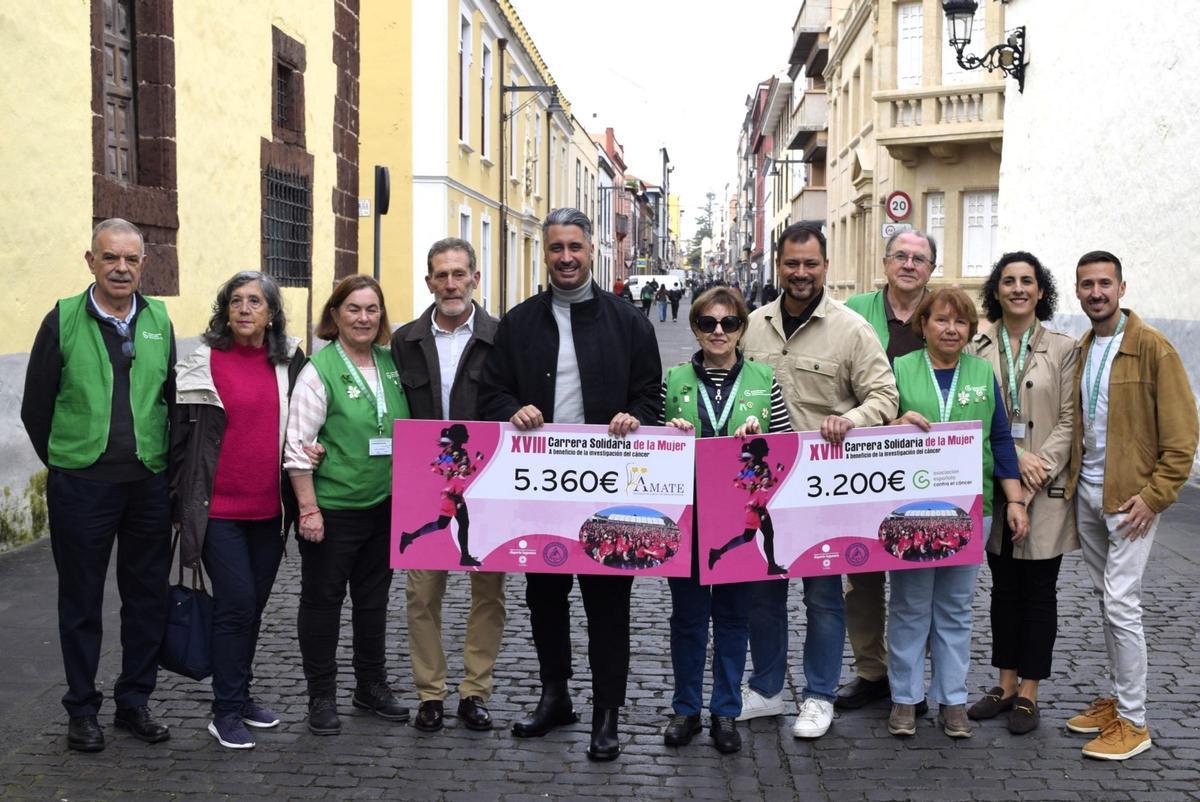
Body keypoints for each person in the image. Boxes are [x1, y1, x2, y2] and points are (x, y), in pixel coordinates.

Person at [480, 207, 661, 761]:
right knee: (545, 599)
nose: (565, 258)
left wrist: (635, 416)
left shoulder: (628, 321)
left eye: (574, 248)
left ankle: (607, 713)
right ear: (546, 252)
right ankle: (554, 695)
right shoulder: (518, 323)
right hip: (541, 490)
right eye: (556, 248)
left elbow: (651, 396)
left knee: (608, 605)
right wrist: (514, 410)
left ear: (590, 250)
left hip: (610, 491)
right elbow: (492, 393)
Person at [21, 218, 175, 752]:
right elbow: (35, 407)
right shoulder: (62, 319)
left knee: (146, 598)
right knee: (81, 600)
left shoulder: (159, 320)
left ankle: (134, 701)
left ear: (143, 265)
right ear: (91, 261)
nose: (121, 268)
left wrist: (164, 471)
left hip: (148, 484)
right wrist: (67, 465)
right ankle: (82, 708)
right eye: (111, 258)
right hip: (82, 486)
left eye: (131, 260)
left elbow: (170, 400)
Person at [738, 223, 898, 739]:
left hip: (824, 491)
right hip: (762, 487)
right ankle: (764, 691)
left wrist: (852, 419)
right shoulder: (751, 326)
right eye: (791, 263)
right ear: (778, 266)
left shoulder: (852, 330)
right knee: (763, 595)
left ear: (825, 267)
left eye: (810, 264)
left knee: (825, 597)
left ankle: (819, 695)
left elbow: (885, 396)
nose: (800, 273)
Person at [1063, 251, 1197, 760]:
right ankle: (1118, 702)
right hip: (1090, 494)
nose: (1096, 292)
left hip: (1131, 501)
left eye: (1105, 283)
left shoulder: (1152, 349)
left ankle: (1135, 722)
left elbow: (1183, 439)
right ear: (1077, 292)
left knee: (1121, 603)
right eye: (1087, 285)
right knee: (1105, 601)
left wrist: (1155, 496)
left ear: (1122, 287)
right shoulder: (1083, 347)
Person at [170, 271, 305, 749]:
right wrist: (178, 505)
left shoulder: (289, 361)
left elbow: (306, 423)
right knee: (236, 604)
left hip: (269, 511)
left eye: (255, 301)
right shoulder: (200, 363)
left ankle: (239, 693)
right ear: (224, 310)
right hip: (216, 510)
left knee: (251, 609)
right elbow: (179, 440)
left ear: (271, 313)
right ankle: (224, 710)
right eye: (235, 301)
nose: (245, 309)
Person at [888, 287, 1029, 740]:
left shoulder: (982, 373)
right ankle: (906, 700)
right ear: (923, 324)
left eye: (961, 323)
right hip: (911, 508)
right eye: (942, 320)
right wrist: (892, 425)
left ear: (970, 330)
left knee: (954, 608)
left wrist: (1016, 501)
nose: (951, 329)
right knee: (910, 607)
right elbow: (876, 435)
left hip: (972, 509)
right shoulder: (899, 370)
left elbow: (1001, 440)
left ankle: (952, 700)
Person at [660, 287, 791, 753]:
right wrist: (668, 433)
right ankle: (685, 710)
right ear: (695, 328)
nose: (719, 331)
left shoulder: (763, 378)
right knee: (689, 619)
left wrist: (761, 439)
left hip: (739, 514)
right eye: (709, 323)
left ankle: (726, 711)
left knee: (734, 619)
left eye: (729, 323)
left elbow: (786, 447)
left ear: (741, 328)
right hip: (690, 518)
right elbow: (653, 454)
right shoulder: (673, 379)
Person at [285, 275, 412, 736]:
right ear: (335, 315)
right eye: (354, 309)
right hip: (333, 509)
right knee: (322, 603)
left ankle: (370, 686)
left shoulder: (392, 362)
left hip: (384, 506)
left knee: (373, 602)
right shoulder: (318, 371)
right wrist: (308, 509)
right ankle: (321, 696)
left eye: (372, 309)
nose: (364, 318)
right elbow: (299, 445)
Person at [390, 237, 505, 734]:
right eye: (442, 275)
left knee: (489, 594)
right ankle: (430, 694)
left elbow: (513, 400)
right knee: (421, 597)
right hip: (423, 480)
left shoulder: (502, 337)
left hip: (488, 481)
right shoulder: (406, 340)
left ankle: (475, 692)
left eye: (460, 274)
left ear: (475, 279)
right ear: (429, 282)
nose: (451, 283)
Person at [963, 253, 1077, 735]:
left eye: (1027, 281)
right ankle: (1004, 683)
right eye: (1008, 281)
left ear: (1040, 290)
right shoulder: (975, 343)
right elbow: (972, 415)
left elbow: (1071, 419)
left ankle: (1030, 690)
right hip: (993, 485)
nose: (1017, 289)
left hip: (1045, 490)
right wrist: (1013, 455)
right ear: (997, 289)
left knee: (1039, 592)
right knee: (1003, 590)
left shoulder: (1065, 347)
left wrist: (1036, 465)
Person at [838, 230, 935, 712]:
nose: (909, 264)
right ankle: (871, 671)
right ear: (885, 262)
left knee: (922, 572)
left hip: (926, 460)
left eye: (920, 258)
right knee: (863, 572)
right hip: (864, 458)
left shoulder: (944, 312)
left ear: (930, 270)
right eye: (901, 255)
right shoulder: (855, 308)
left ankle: (914, 678)